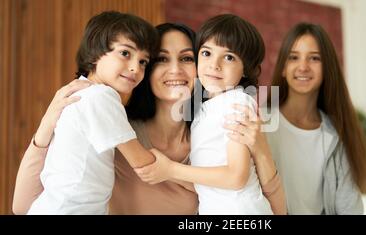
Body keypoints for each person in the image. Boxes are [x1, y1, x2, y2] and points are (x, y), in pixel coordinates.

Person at [13, 22, 286, 215]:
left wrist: (260, 149)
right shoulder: (119, 132)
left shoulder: (214, 135)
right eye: (161, 59)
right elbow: (23, 205)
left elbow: (273, 211)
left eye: (187, 58)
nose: (175, 70)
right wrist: (47, 123)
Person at [23, 11, 162, 215]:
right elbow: (141, 162)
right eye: (125, 53)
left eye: (143, 62)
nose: (135, 68)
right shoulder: (101, 96)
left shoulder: (81, 91)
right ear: (95, 52)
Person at [134, 14, 274, 215]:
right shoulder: (206, 109)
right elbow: (205, 184)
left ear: (246, 69)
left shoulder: (238, 103)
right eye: (206, 53)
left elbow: (236, 177)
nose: (214, 65)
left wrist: (170, 170)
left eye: (228, 57)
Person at [265, 23, 366, 214]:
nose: (303, 67)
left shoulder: (336, 134)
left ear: (327, 68)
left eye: (314, 58)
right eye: (293, 57)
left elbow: (350, 206)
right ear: (283, 67)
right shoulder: (260, 122)